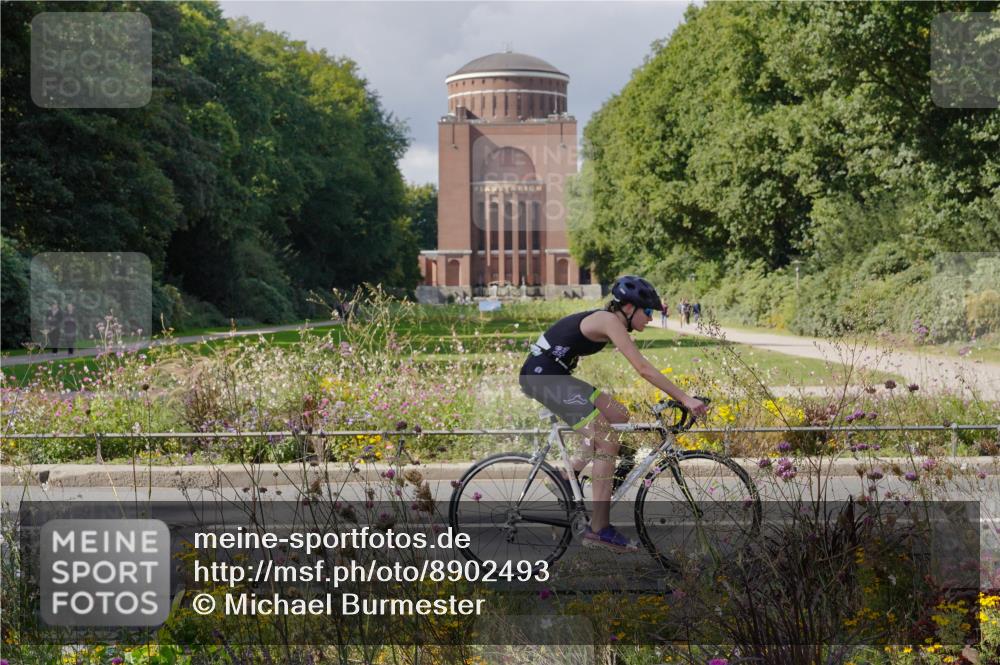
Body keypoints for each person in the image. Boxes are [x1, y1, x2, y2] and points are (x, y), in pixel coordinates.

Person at [519, 275, 707, 553]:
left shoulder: (610, 321)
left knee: (619, 415)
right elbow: (642, 368)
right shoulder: (609, 321)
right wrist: (684, 398)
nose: (652, 318)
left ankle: (566, 473)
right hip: (543, 378)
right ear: (629, 308)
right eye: (648, 311)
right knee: (608, 440)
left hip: (554, 375)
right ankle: (599, 528)